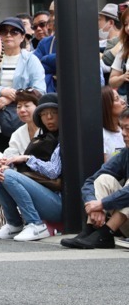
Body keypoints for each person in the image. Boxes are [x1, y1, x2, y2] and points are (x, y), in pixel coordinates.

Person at [0, 93, 62, 241]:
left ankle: (36, 224)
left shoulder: (65, 137)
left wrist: (26, 158)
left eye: (53, 113)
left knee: (8, 176)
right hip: (42, 193)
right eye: (44, 114)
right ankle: (14, 224)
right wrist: (9, 166)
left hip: (59, 202)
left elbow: (53, 171)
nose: (49, 118)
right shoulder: (41, 138)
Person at [61, 107, 129, 249]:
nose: (123, 133)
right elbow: (91, 181)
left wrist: (102, 204)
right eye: (121, 128)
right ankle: (91, 230)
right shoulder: (125, 153)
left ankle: (106, 233)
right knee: (103, 179)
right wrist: (92, 204)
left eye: (127, 128)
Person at [0, 17, 46, 152]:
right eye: (4, 31)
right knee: (3, 163)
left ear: (22, 37)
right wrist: (2, 91)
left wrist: (12, 96)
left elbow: (39, 91)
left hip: (24, 121)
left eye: (14, 32)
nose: (8, 35)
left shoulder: (30, 59)